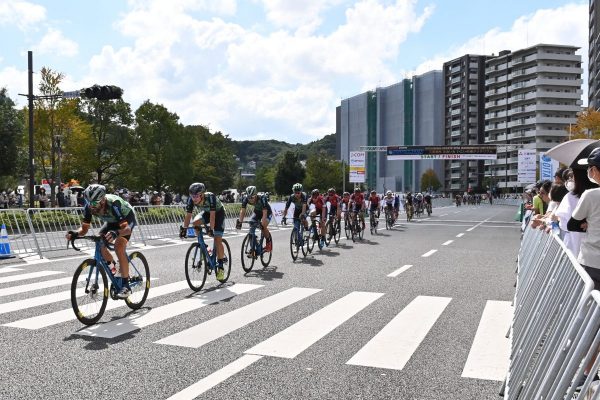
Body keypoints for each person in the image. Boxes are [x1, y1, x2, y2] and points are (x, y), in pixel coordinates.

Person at [66, 184, 137, 298]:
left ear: (103, 200)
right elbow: (84, 229)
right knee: (100, 243)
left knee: (119, 247)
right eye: (88, 202)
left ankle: (126, 286)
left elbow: (126, 229)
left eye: (94, 203)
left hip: (126, 220)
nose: (91, 206)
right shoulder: (89, 207)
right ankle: (115, 269)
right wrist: (75, 233)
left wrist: (116, 233)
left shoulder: (114, 204)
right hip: (111, 222)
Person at [180, 182, 227, 280]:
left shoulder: (210, 197)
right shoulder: (191, 200)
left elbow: (213, 215)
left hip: (218, 214)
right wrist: (184, 229)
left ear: (202, 195)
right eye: (192, 196)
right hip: (207, 213)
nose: (194, 198)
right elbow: (188, 215)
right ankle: (203, 246)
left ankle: (221, 266)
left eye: (196, 196)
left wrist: (211, 229)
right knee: (195, 222)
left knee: (217, 239)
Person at [568, 147, 600, 289]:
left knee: (589, 300)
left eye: (589, 168)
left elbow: (572, 224)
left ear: (595, 170)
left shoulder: (591, 195)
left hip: (592, 261)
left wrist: (588, 223)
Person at [237, 185, 273, 252]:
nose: (250, 199)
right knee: (251, 224)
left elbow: (265, 212)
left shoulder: (262, 198)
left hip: (267, 212)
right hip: (257, 212)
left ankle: (268, 242)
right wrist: (240, 222)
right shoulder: (245, 198)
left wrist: (262, 224)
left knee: (263, 227)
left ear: (256, 195)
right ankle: (253, 246)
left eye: (252, 197)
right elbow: (243, 211)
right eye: (249, 197)